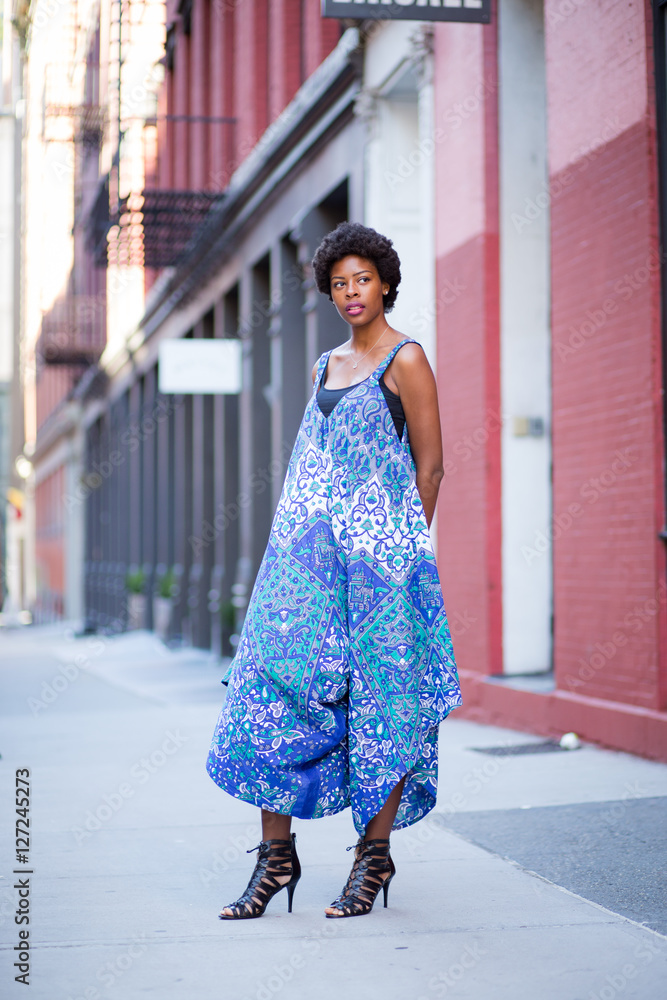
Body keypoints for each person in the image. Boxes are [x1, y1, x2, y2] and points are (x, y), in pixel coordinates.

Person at [206, 221, 462, 919]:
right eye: (339, 283)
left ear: (385, 284)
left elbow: (431, 464)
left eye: (363, 280)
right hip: (306, 563)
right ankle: (275, 859)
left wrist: (398, 551)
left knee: (380, 701)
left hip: (381, 567)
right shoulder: (325, 365)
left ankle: (371, 861)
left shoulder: (405, 360)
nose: (352, 293)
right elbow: (308, 472)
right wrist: (286, 552)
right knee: (267, 683)